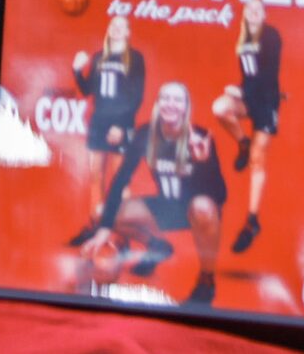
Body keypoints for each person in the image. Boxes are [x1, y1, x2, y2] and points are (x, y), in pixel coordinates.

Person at [87, 81, 229, 308]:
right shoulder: (146, 134)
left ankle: (206, 279)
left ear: (186, 107)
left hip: (196, 210)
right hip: (165, 208)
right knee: (101, 214)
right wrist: (104, 228)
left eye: (177, 99)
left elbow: (221, 195)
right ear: (158, 103)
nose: (171, 104)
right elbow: (121, 179)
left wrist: (203, 163)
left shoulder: (198, 135)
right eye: (166, 98)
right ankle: (157, 246)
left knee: (203, 206)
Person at [65, 12, 146, 247]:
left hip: (121, 124)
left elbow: (136, 96)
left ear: (128, 32)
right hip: (99, 122)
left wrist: (121, 125)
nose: (117, 29)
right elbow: (87, 90)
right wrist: (78, 71)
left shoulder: (135, 59)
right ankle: (95, 224)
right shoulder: (99, 57)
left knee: (120, 179)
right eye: (114, 25)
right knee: (95, 175)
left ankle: (122, 232)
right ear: (109, 29)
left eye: (122, 26)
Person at [211, 0, 284, 254]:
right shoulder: (243, 39)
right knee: (220, 107)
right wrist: (240, 91)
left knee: (257, 159)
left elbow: (266, 75)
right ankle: (242, 141)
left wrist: (241, 91)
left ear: (264, 13)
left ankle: (252, 220)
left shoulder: (270, 36)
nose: (253, 13)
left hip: (266, 103)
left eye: (257, 9)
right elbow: (247, 76)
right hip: (249, 98)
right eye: (248, 9)